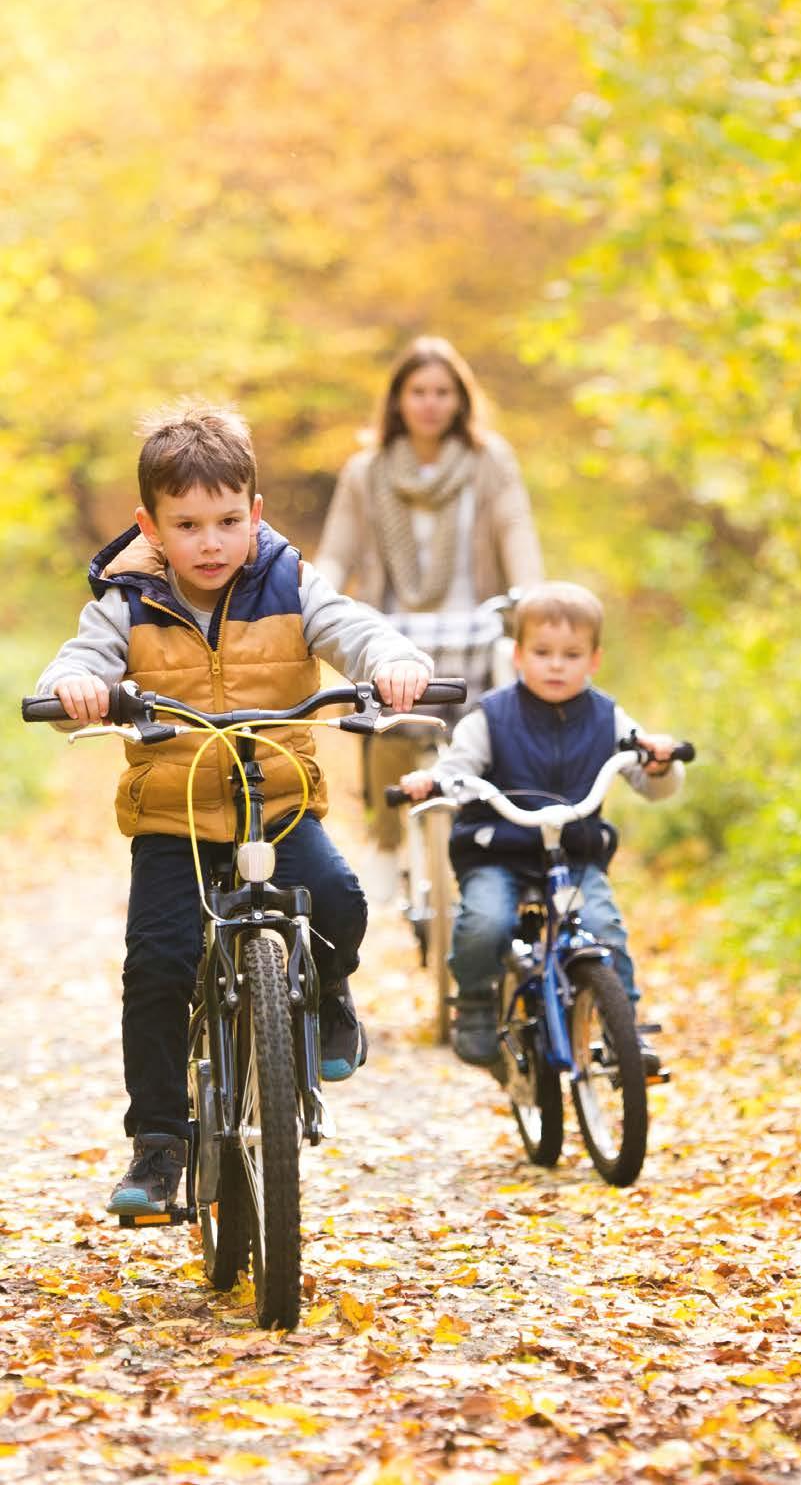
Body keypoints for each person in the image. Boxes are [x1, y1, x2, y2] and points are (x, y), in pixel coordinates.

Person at [33, 403, 433, 1217]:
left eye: (226, 521)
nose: (210, 542)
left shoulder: (290, 581)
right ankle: (159, 1143)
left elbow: (350, 627)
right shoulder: (126, 599)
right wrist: (75, 688)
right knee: (156, 965)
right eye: (186, 525)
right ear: (151, 526)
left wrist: (390, 658)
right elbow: (82, 659)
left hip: (275, 804)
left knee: (340, 898)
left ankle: (328, 991)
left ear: (255, 513)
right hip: (172, 818)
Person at [399, 580, 684, 1074]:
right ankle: (475, 1001)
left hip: (573, 855)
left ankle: (624, 1028)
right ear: (517, 655)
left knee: (605, 928)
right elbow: (457, 768)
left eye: (571, 655)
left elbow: (648, 774)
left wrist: (659, 762)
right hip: (498, 851)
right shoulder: (491, 716)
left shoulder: (608, 717)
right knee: (485, 922)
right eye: (542, 652)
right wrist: (434, 782)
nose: (556, 665)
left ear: (594, 660)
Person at [315, 335, 543, 892]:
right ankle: (387, 840)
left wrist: (533, 598)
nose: (430, 403)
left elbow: (516, 532)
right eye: (418, 391)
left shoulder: (489, 462)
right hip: (394, 629)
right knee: (386, 725)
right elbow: (338, 551)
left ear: (461, 399)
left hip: (475, 625)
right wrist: (311, 598)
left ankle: (490, 839)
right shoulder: (366, 471)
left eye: (443, 392)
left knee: (490, 732)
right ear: (398, 399)